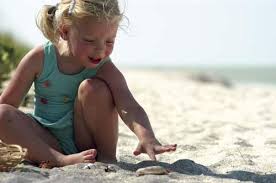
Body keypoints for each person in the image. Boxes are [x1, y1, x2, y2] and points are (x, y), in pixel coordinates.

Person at [0, 0, 176, 167]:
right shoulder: (40, 58)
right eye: (90, 40)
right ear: (65, 31)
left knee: (93, 88)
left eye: (109, 41)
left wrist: (147, 137)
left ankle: (107, 157)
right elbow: (7, 105)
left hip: (87, 146)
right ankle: (59, 160)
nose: (100, 50)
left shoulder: (104, 68)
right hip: (46, 142)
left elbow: (129, 105)